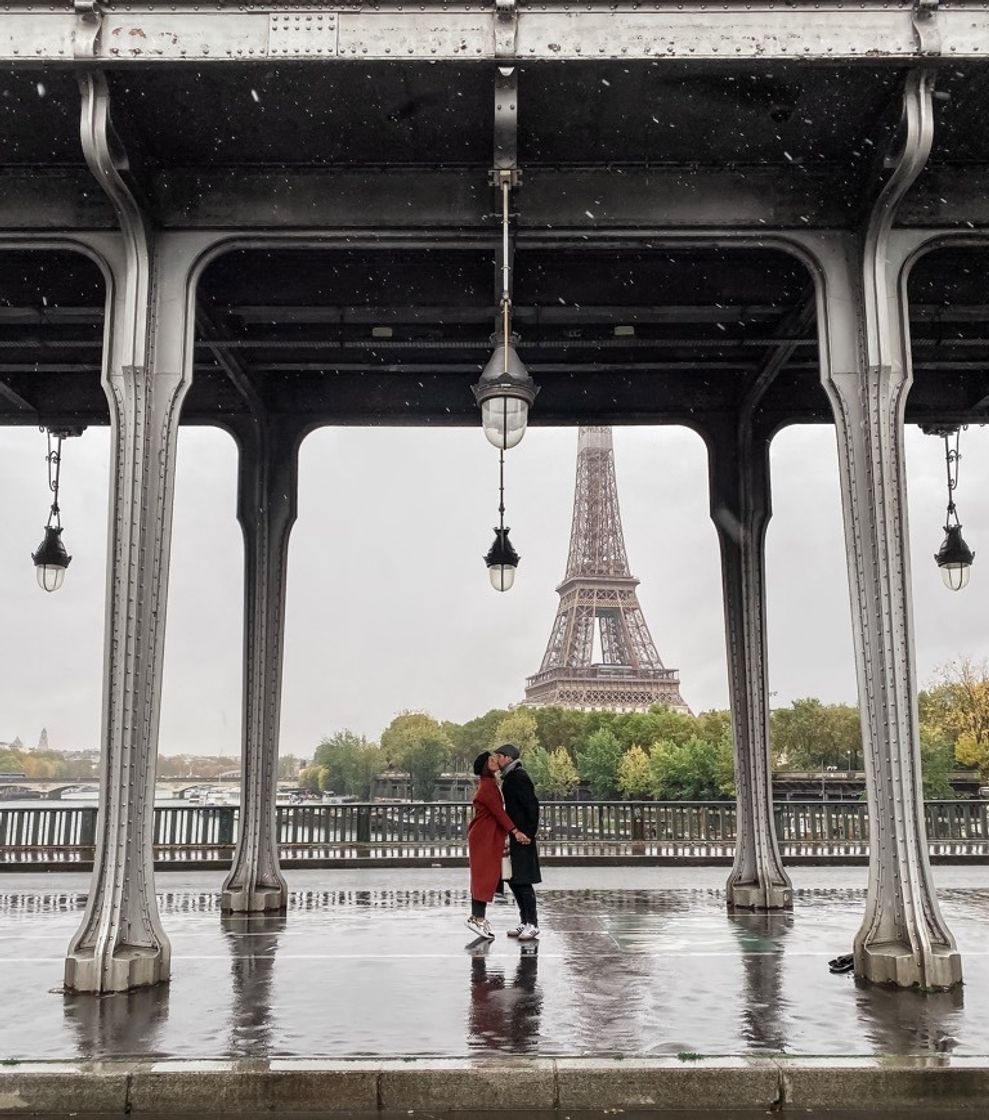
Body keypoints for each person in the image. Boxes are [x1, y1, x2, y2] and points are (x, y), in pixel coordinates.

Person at [466, 750, 529, 940]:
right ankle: (476, 918)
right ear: (486, 765)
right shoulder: (487, 786)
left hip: (487, 835)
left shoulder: (490, 784)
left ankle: (478, 917)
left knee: (484, 876)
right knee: (483, 877)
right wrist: (515, 831)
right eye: (492, 760)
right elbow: (499, 813)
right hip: (484, 837)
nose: (496, 761)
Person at [494, 743, 541, 940]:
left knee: (523, 880)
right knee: (515, 880)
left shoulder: (518, 777)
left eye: (498, 756)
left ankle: (533, 923)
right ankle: (524, 921)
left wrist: (528, 833)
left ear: (508, 758)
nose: (496, 760)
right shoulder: (511, 778)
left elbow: (532, 806)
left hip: (522, 836)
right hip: (516, 835)